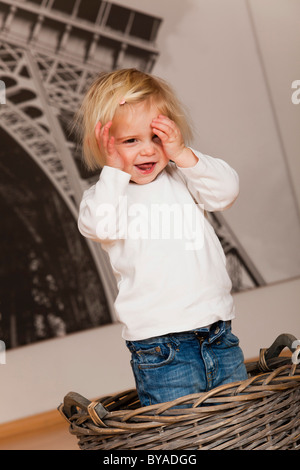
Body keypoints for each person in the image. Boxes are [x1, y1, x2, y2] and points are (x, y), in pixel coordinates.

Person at [76, 68, 248, 407]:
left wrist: (182, 152)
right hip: (161, 348)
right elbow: (100, 226)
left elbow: (225, 192)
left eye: (157, 137)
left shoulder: (183, 177)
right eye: (130, 141)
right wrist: (112, 172)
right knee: (178, 436)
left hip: (218, 333)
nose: (147, 151)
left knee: (236, 425)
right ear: (105, 144)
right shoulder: (105, 196)